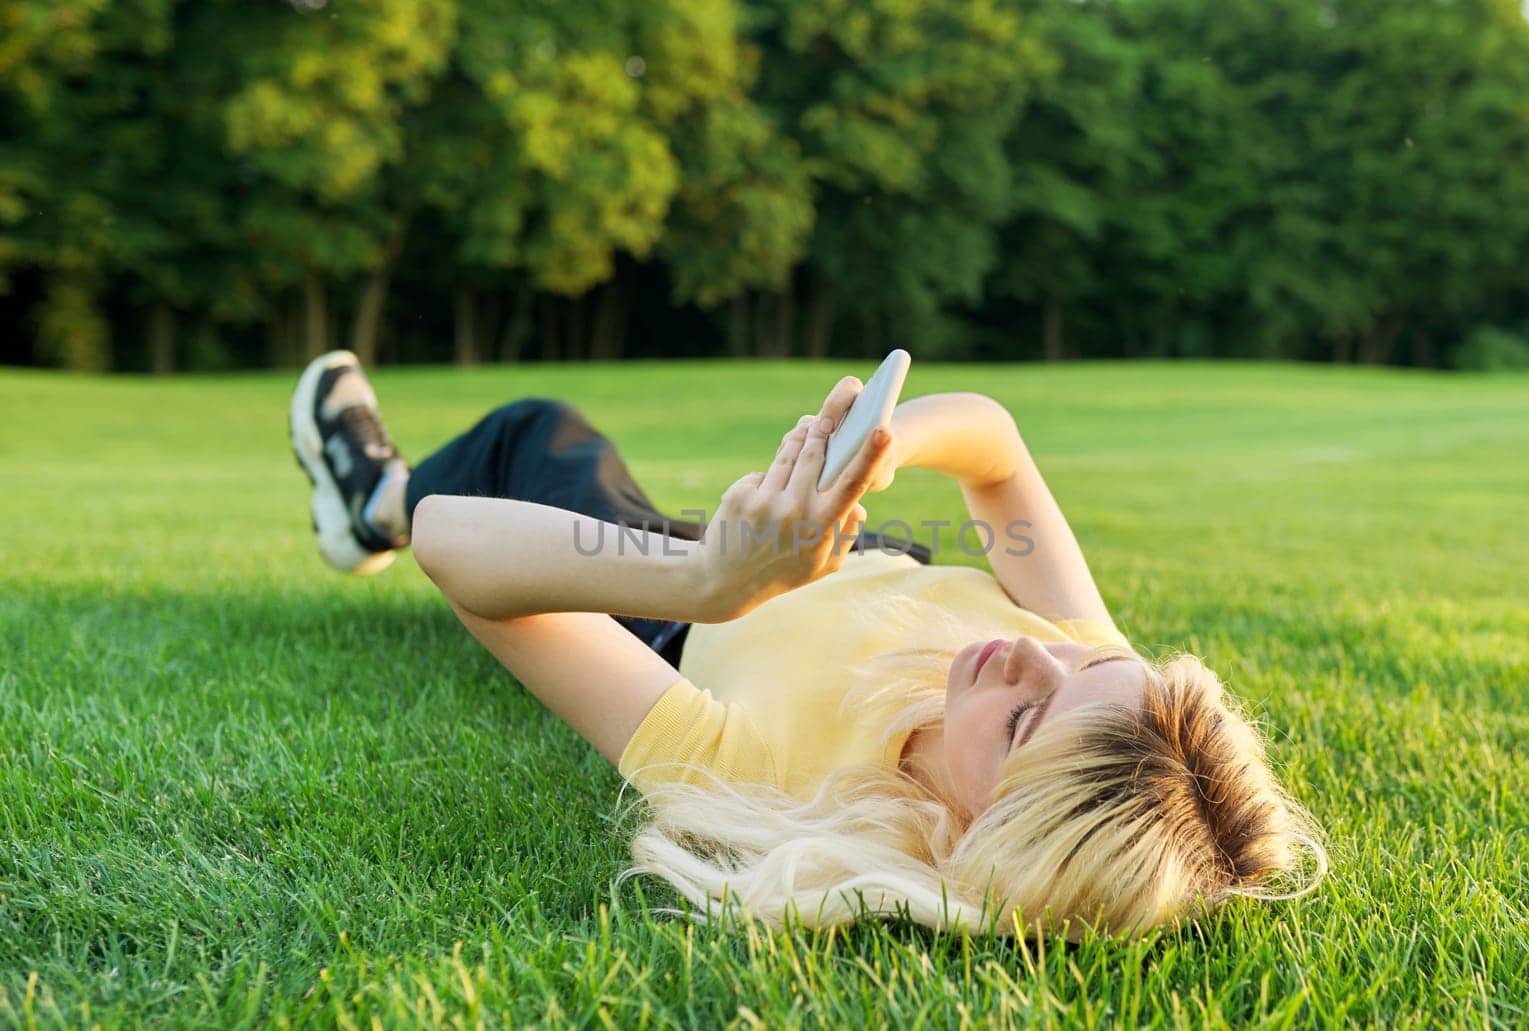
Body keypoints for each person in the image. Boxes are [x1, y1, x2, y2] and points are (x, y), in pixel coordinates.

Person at [289, 350, 1325, 939]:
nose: (1029, 653)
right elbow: (996, 449)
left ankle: (369, 494)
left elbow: (458, 551)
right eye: (1093, 663)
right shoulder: (1083, 677)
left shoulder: (774, 773)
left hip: (689, 603)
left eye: (1017, 723)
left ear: (975, 836)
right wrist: (875, 454)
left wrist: (715, 579)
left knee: (535, 438)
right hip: (846, 551)